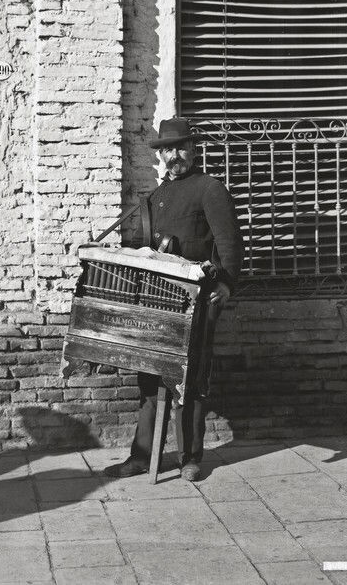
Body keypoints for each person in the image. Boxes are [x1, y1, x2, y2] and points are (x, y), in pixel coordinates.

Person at [104, 117, 243, 482]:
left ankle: (189, 458)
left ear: (193, 150)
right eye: (168, 149)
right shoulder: (156, 196)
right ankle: (141, 456)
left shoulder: (210, 189)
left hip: (198, 299)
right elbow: (141, 246)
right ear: (161, 155)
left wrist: (225, 286)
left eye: (181, 147)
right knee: (150, 378)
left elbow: (229, 243)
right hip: (157, 300)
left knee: (190, 379)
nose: (174, 155)